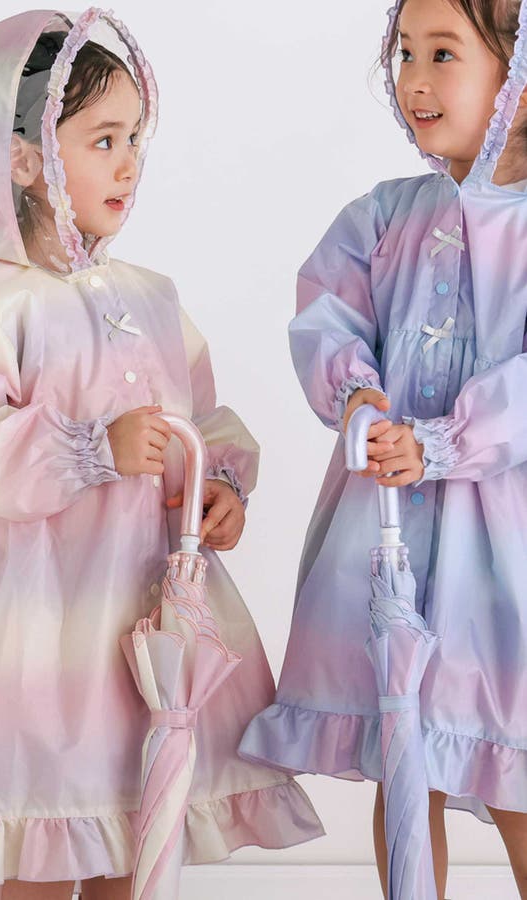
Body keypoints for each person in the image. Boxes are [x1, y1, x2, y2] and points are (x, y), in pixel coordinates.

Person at [0, 8, 323, 899]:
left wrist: (218, 485)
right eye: (101, 140)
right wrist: (92, 449)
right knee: (38, 830)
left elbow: (202, 418)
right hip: (37, 637)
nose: (128, 163)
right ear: (22, 161)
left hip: (138, 630)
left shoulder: (150, 298)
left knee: (137, 822)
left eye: (134, 138)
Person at [239, 1, 527, 897]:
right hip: (389, 535)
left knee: (512, 756)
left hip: (501, 550)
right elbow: (329, 312)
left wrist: (446, 440)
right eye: (404, 52)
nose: (414, 79)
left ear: (520, 78)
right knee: (402, 750)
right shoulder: (385, 216)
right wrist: (357, 394)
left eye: (444, 54)